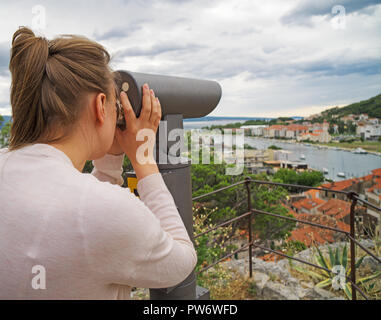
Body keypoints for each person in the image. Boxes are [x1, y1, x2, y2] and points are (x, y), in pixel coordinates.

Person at [0, 27, 197, 299]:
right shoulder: (104, 209)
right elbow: (181, 262)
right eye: (115, 106)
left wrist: (110, 160)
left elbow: (83, 218)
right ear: (100, 105)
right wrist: (144, 160)